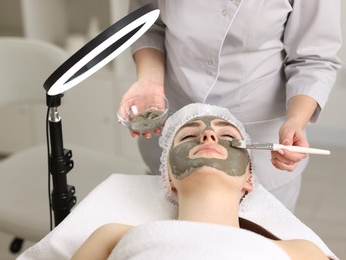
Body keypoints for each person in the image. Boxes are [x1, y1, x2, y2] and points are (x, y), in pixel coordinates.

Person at [119, 0, 342, 211]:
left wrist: (296, 119)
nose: (207, 134)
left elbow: (314, 59)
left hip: (259, 136)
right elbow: (148, 24)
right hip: (175, 118)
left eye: (224, 132)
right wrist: (150, 81)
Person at [72, 104, 329, 259]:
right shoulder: (111, 236)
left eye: (227, 135)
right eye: (187, 137)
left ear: (248, 179)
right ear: (168, 178)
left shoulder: (300, 253)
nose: (207, 135)